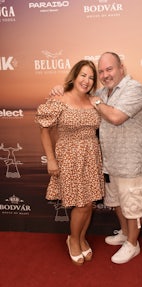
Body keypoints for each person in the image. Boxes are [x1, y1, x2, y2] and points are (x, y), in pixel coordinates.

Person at [50, 52, 142, 264]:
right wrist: (61, 88)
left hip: (130, 160)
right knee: (116, 202)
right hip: (108, 161)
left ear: (121, 67)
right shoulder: (102, 93)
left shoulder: (135, 89)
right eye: (101, 71)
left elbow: (115, 117)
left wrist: (96, 102)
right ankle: (124, 233)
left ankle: (133, 244)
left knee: (132, 205)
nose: (105, 75)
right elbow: (78, 95)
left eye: (109, 69)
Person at [35, 60, 104, 266]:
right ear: (74, 76)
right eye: (83, 75)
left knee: (89, 203)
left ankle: (82, 238)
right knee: (81, 204)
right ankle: (73, 240)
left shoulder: (93, 100)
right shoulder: (59, 99)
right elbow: (44, 130)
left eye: (91, 77)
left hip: (91, 155)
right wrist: (51, 159)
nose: (87, 80)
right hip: (69, 156)